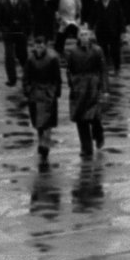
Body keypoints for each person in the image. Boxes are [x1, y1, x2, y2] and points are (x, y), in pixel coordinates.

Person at [65, 30, 108, 159]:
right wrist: (72, 84)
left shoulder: (97, 50)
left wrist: (105, 89)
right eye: (82, 35)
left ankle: (98, 133)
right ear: (78, 37)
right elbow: (69, 70)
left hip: (93, 87)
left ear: (90, 36)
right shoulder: (72, 52)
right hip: (79, 88)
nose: (84, 37)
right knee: (81, 119)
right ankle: (86, 147)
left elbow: (103, 70)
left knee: (94, 116)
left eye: (86, 34)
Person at [23, 39, 62, 161]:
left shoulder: (52, 59)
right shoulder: (30, 59)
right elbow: (26, 77)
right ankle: (41, 141)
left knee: (48, 120)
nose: (39, 48)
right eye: (37, 46)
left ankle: (45, 142)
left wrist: (55, 92)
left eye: (41, 46)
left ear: (45, 46)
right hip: (35, 92)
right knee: (37, 121)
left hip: (48, 91)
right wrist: (28, 90)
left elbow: (57, 78)